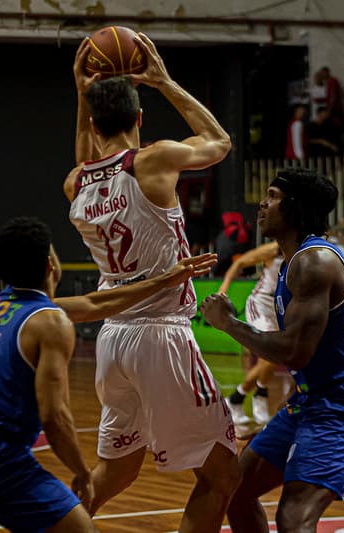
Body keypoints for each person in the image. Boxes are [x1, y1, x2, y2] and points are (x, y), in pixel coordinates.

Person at [0, 216, 218, 533]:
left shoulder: (1, 306)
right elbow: (54, 415)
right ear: (50, 264)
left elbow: (93, 303)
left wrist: (164, 280)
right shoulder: (51, 324)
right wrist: (81, 471)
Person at [64, 35, 239, 532]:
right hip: (162, 336)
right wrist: (163, 82)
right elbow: (220, 142)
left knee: (116, 470)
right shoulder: (156, 160)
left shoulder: (76, 184)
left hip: (112, 340)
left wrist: (81, 94)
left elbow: (84, 157)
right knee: (222, 477)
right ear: (139, 119)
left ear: (93, 124)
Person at [201, 167, 344, 533]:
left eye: (272, 196)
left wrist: (229, 324)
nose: (262, 204)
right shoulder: (293, 259)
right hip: (311, 397)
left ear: (296, 208)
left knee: (294, 517)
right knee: (234, 489)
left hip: (343, 402)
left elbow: (294, 352)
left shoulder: (315, 262)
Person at [217, 241, 282, 427]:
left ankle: (238, 398)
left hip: (279, 307)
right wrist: (224, 288)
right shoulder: (272, 250)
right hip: (260, 303)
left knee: (272, 358)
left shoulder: (301, 251)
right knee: (270, 354)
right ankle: (257, 395)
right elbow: (239, 263)